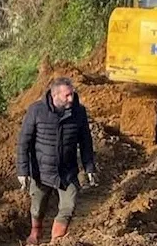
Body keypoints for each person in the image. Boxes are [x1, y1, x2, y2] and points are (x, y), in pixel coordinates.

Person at [16, 77, 97, 245]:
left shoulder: (79, 112)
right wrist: (22, 171)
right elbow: (24, 142)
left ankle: (56, 241)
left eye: (72, 95)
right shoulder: (36, 111)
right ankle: (35, 233)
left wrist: (89, 167)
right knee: (37, 208)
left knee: (68, 207)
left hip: (67, 172)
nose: (71, 99)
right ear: (55, 95)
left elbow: (85, 142)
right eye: (67, 95)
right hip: (41, 171)